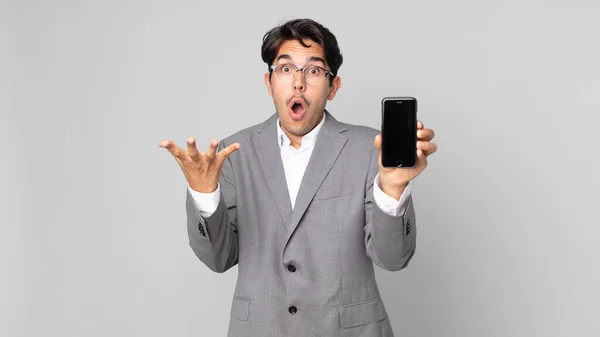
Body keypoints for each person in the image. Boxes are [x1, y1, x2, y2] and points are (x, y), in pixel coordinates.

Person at [159, 18, 437, 337]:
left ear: (333, 87)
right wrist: (205, 195)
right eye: (286, 68)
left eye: (314, 70)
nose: (298, 83)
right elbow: (219, 258)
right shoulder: (233, 152)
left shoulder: (371, 149)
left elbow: (393, 259)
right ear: (269, 82)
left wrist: (392, 189)